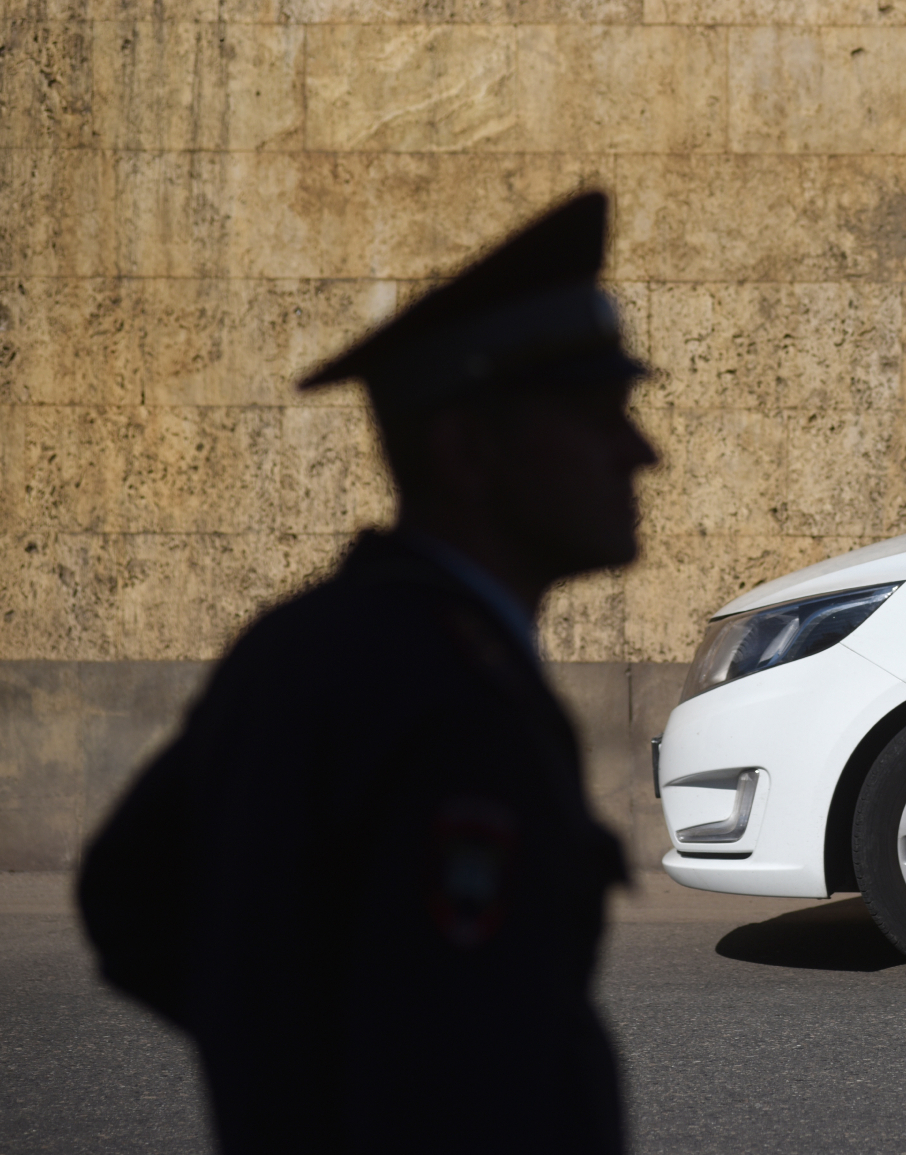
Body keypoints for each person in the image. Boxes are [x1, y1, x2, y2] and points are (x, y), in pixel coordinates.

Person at [77, 191, 658, 1149]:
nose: (642, 452)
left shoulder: (323, 640)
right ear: (467, 451)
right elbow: (458, 1071)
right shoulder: (439, 691)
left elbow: (131, 893)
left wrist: (280, 1061)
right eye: (598, 419)